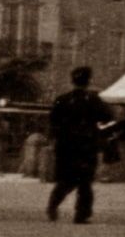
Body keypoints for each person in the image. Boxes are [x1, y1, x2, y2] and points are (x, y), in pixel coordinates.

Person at [46, 66, 113, 225]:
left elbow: (53, 122)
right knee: (85, 181)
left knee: (66, 180)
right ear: (88, 81)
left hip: (66, 146)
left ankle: (53, 204)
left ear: (72, 81)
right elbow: (106, 117)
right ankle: (81, 214)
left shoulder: (62, 99)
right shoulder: (93, 99)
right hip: (86, 145)